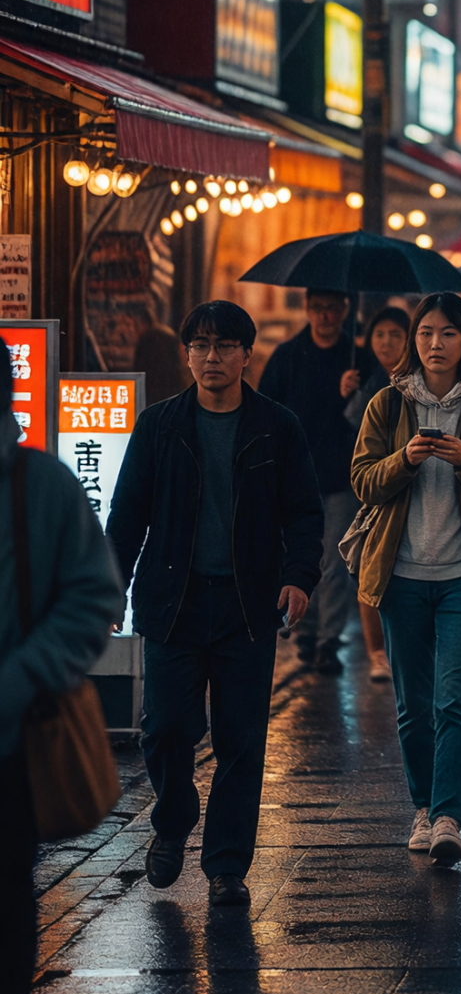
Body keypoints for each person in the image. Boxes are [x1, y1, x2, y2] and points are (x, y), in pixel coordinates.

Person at [108, 301, 323, 908]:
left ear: (246, 354)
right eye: (200, 345)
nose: (211, 357)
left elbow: (305, 512)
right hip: (172, 603)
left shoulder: (275, 426)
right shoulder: (159, 425)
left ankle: (227, 864)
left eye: (224, 346)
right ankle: (174, 819)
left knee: (241, 738)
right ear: (186, 354)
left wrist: (299, 577)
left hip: (246, 605)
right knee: (166, 727)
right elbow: (127, 519)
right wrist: (108, 592)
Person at [352, 293, 461, 869]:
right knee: (412, 705)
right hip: (400, 577)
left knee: (455, 701)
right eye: (425, 333)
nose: (434, 344)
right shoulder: (386, 404)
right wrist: (404, 458)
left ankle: (449, 817)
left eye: (448, 333)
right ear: (411, 341)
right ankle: (422, 807)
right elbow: (363, 481)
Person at [0, 345, 123, 994]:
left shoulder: (38, 486)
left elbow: (90, 598)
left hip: (13, 735)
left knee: (7, 896)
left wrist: (20, 678)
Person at [258, 288, 358, 674]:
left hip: (339, 475)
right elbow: (268, 408)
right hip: (295, 475)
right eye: (318, 308)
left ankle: (329, 640)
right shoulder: (288, 355)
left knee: (334, 563)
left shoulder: (355, 357)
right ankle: (304, 629)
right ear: (307, 309)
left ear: (345, 308)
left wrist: (354, 393)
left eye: (333, 308)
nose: (326, 316)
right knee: (300, 557)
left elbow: (372, 414)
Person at [344, 306, 413, 682]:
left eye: (395, 334)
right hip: (370, 488)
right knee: (370, 570)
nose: (386, 342)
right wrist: (348, 394)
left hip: (410, 486)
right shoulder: (364, 379)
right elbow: (350, 433)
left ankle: (402, 647)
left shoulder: (419, 381)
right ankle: (376, 653)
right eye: (379, 334)